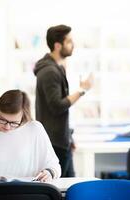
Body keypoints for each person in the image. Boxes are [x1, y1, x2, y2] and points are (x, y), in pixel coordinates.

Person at [0, 89, 61, 182]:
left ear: (23, 116)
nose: (7, 127)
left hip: (28, 194)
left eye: (14, 123)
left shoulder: (35, 129)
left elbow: (55, 167)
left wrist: (49, 173)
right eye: (2, 120)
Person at [34, 24, 93, 177]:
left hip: (61, 140)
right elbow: (57, 106)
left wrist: (69, 136)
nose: (73, 45)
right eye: (69, 41)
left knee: (69, 187)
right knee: (61, 189)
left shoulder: (56, 68)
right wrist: (82, 90)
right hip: (54, 143)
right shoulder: (49, 71)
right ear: (58, 45)